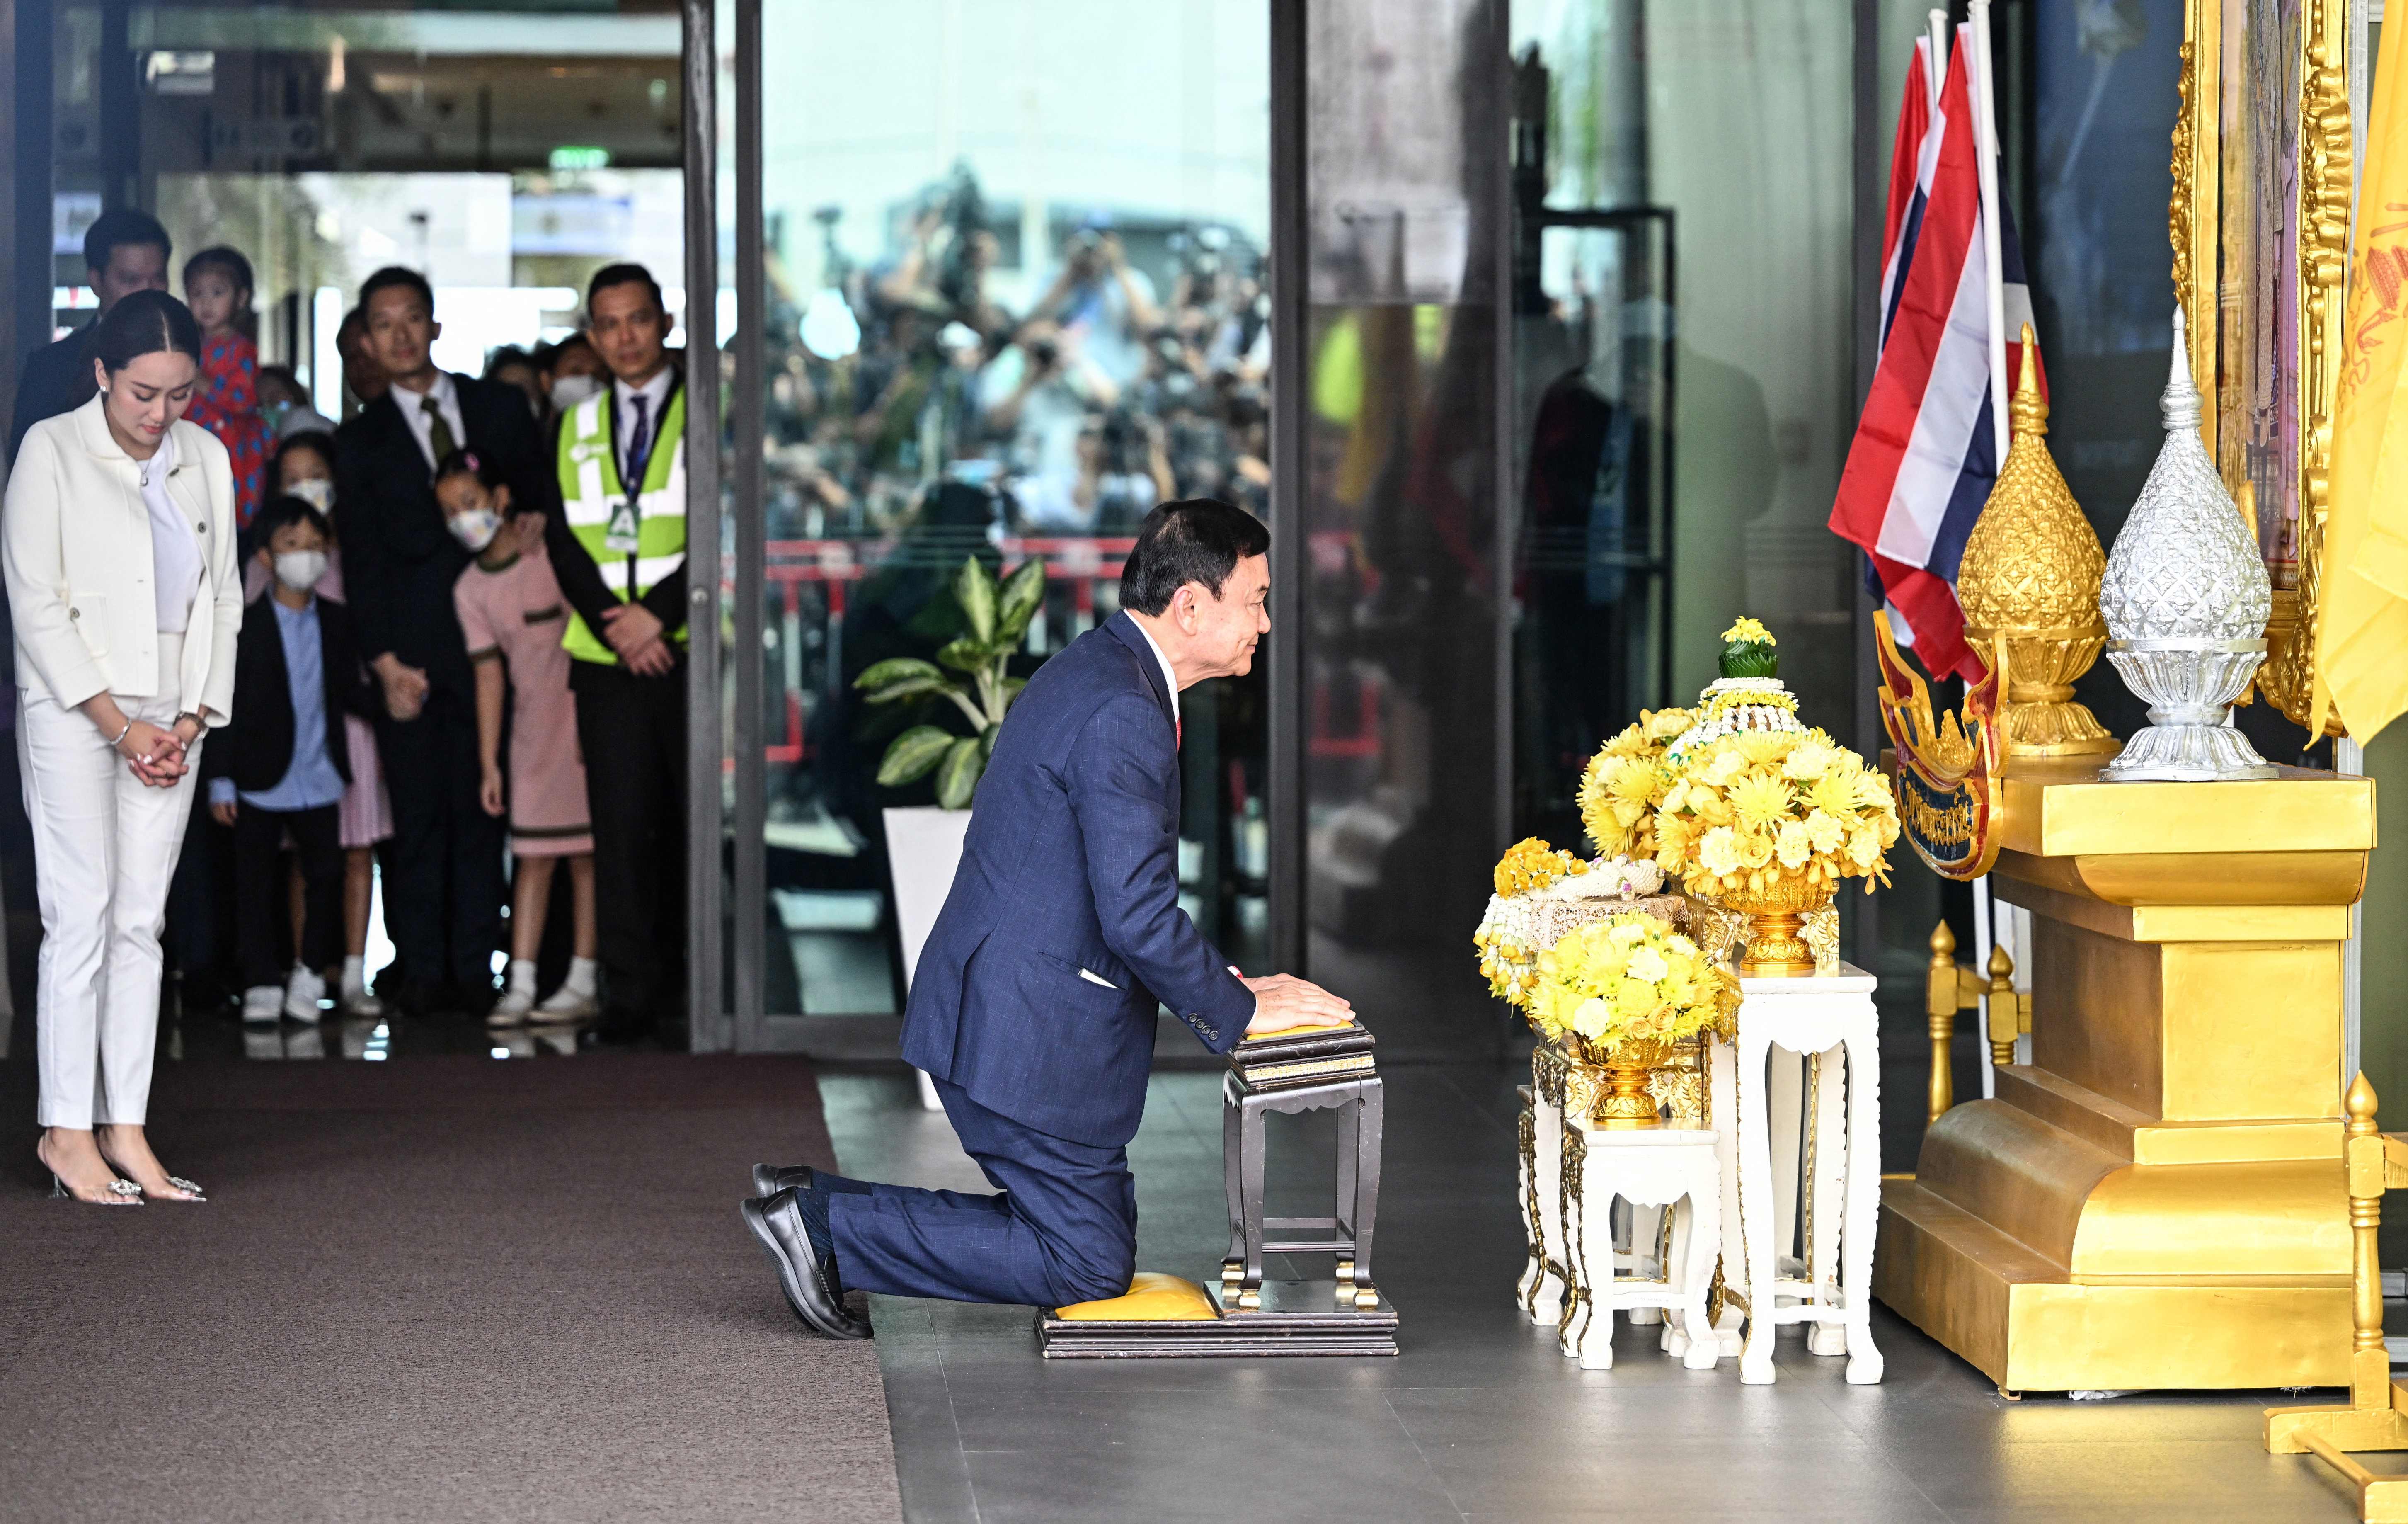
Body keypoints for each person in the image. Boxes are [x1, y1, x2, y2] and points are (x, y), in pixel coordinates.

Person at [741, 500, 1353, 1335]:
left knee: (1091, 1238)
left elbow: (1104, 888)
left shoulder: (1102, 667)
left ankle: (815, 1202)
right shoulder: (1123, 711)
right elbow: (1135, 913)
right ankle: (824, 1228)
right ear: (1190, 607)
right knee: (1085, 1260)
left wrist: (1231, 984)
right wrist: (1240, 1008)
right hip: (1022, 1032)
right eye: (1254, 599)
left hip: (1012, 1006)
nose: (1267, 621)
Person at [3, 289, 242, 1204]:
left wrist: (190, 720)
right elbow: (35, 603)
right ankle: (66, 1131)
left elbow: (222, 598)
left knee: (141, 920)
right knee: (83, 911)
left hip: (172, 715)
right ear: (102, 373)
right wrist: (119, 723)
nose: (160, 413)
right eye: (143, 391)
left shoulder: (208, 456)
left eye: (180, 394)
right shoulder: (51, 449)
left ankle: (127, 1126)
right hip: (76, 709)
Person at [334, 267, 547, 1017]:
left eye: (411, 319)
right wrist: (384, 661)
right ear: (366, 338)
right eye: (382, 324)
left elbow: (539, 505)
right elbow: (359, 559)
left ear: (435, 325)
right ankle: (423, 971)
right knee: (418, 815)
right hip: (414, 657)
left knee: (485, 809)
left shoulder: (498, 408)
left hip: (504, 650)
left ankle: (475, 966)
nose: (398, 336)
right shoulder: (358, 442)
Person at [542, 263, 690, 1043]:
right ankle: (628, 999)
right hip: (606, 657)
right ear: (593, 336)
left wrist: (657, 619)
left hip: (685, 646)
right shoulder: (574, 422)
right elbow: (564, 539)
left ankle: (695, 990)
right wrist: (616, 626)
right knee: (621, 829)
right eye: (609, 324)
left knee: (691, 822)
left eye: (638, 319)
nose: (625, 337)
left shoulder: (709, 410)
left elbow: (719, 526)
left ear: (664, 322)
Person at [437, 448, 600, 1026]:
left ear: (501, 500)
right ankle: (523, 982)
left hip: (583, 721)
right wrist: (490, 763)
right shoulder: (469, 591)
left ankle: (583, 977)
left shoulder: (547, 554)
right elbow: (489, 677)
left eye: (472, 504)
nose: (464, 520)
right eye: (451, 512)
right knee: (531, 859)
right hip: (530, 734)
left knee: (586, 858)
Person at [203, 498, 379, 1024]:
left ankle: (308, 974)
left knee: (324, 876)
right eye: (291, 544)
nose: (305, 555)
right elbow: (222, 706)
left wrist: (398, 699)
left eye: (314, 545)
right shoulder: (243, 627)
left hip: (319, 774)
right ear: (264, 556)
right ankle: (260, 978)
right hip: (258, 776)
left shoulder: (337, 620)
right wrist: (221, 780)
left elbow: (348, 690)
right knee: (254, 882)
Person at [271, 431, 393, 1016]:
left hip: (353, 729)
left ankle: (352, 974)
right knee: (305, 856)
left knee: (355, 851)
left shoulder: (357, 555)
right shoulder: (263, 564)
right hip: (296, 733)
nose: (307, 487)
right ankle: (306, 967)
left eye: (316, 472)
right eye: (292, 478)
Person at [8, 207, 172, 462]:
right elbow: (27, 467)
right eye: (131, 280)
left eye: (158, 278)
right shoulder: (50, 367)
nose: (147, 292)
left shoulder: (195, 358)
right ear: (96, 282)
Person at [179, 246, 275, 529]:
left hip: (230, 442)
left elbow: (244, 400)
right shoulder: (189, 346)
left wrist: (204, 383)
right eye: (197, 294)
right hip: (192, 439)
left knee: (224, 511)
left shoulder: (241, 349)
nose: (207, 303)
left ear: (241, 298)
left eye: (218, 293)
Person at [256, 364, 336, 440]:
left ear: (294, 394)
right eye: (259, 405)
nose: (267, 408)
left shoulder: (302, 420)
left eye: (275, 397)